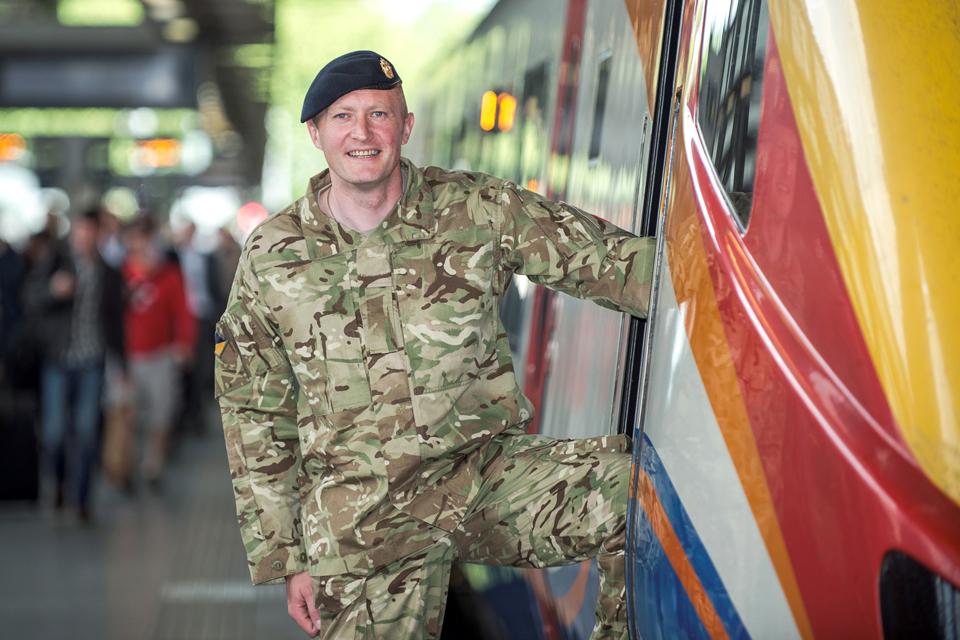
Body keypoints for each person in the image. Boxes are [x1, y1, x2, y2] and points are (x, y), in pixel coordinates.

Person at [215, 51, 654, 640]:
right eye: (343, 118)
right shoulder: (272, 254)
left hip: (482, 479)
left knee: (637, 498)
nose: (363, 133)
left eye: (379, 114)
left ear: (407, 126)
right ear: (316, 133)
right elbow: (252, 407)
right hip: (361, 516)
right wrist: (285, 554)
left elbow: (621, 268)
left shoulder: (478, 209)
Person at [21, 210, 126, 521]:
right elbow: (29, 297)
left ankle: (81, 500)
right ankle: (59, 483)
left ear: (97, 234)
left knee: (87, 430)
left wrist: (124, 367)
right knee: (53, 432)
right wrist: (54, 290)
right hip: (57, 358)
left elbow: (115, 322)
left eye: (89, 232)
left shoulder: (108, 272)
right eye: (78, 232)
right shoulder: (56, 262)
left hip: (91, 360)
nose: (83, 238)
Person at [122, 216, 195, 485]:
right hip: (128, 357)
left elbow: (183, 311)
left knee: (161, 412)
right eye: (134, 239)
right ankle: (124, 463)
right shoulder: (119, 275)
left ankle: (153, 463)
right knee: (127, 414)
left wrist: (184, 344)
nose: (139, 245)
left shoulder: (169, 275)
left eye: (144, 239)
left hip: (161, 354)